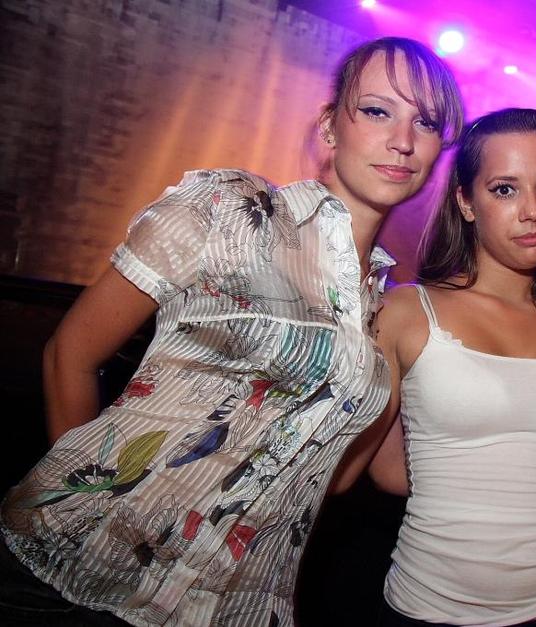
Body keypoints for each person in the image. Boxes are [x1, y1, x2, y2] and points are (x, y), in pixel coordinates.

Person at [0, 37, 464, 627]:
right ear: (330, 126)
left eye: (426, 122)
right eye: (377, 111)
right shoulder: (231, 210)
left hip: (224, 609)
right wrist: (86, 511)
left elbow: (339, 474)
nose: (403, 140)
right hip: (62, 577)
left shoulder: (387, 308)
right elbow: (69, 353)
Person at [334, 107, 536, 626]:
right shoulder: (405, 312)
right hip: (431, 606)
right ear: (465, 201)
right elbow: (382, 472)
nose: (532, 210)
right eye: (504, 189)